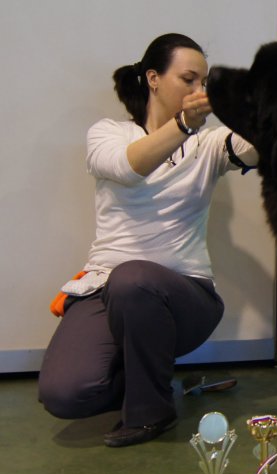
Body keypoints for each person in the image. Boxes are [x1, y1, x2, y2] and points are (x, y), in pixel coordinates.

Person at [38, 33, 258, 447]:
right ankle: (149, 375)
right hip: (105, 288)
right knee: (64, 394)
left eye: (204, 83)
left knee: (133, 278)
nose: (198, 91)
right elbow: (128, 166)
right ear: (153, 78)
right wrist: (182, 125)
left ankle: (151, 412)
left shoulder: (209, 144)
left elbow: (258, 147)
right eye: (189, 79)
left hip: (187, 299)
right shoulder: (109, 134)